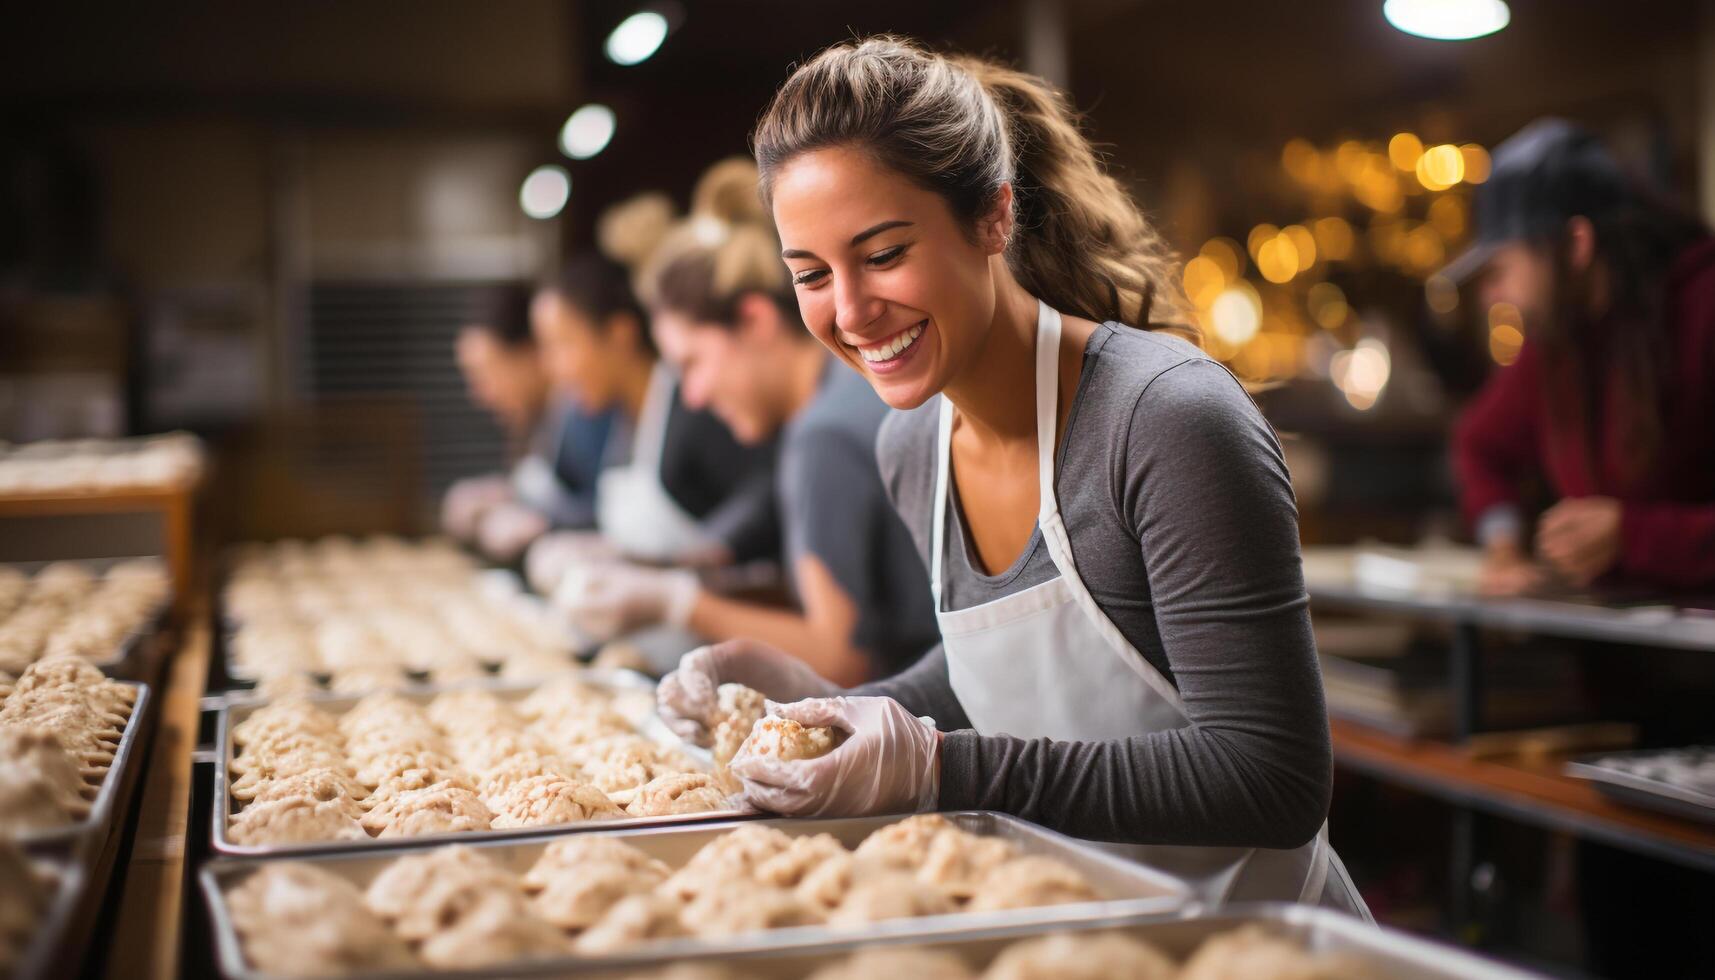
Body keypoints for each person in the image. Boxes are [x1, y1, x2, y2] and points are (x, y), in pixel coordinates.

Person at [655, 37, 1370, 916]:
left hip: (1252, 941)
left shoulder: (1162, 421)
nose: (848, 311)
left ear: (993, 218)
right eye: (810, 274)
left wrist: (942, 768)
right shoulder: (911, 445)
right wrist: (811, 709)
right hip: (1075, 930)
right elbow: (990, 679)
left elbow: (1271, 777)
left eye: (881, 254)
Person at [553, 159, 939, 687]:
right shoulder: (840, 401)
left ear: (755, 321)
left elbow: (842, 658)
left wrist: (683, 606)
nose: (693, 395)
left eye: (693, 363)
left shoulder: (822, 435)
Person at [1446, 119, 1715, 596]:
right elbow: (1479, 443)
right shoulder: (1559, 343)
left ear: (1576, 244)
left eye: (1502, 269)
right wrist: (1503, 544)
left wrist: (1635, 536)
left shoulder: (1703, 310)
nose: (1493, 297)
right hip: (1617, 651)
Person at [525, 249, 780, 592]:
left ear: (620, 334)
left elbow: (765, 491)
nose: (553, 369)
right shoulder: (616, 420)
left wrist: (694, 560)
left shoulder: (695, 406)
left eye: (563, 345)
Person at [440, 284, 614, 560]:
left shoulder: (587, 413)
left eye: (485, 373)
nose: (480, 394)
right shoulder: (539, 421)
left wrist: (545, 527)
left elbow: (604, 513)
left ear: (528, 354)